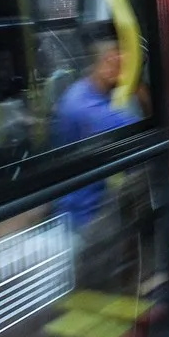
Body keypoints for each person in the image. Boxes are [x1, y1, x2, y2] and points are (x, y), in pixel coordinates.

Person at [53, 23, 143, 228]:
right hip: (84, 220)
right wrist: (139, 87)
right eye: (121, 64)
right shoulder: (88, 109)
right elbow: (139, 133)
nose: (124, 71)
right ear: (108, 61)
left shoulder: (81, 91)